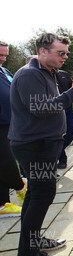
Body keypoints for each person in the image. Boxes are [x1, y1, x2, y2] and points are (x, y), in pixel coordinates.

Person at [9, 32, 73, 256]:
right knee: (42, 195)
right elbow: (41, 109)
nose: (65, 57)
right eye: (60, 53)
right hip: (36, 146)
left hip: (42, 144)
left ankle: (32, 243)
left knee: (35, 196)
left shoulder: (46, 71)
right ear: (43, 51)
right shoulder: (30, 74)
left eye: (66, 53)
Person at [0, 41, 27, 219]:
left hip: (10, 122)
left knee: (5, 162)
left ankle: (2, 204)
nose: (3, 58)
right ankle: (21, 187)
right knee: (6, 161)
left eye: (5, 55)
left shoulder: (4, 70)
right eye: (0, 55)